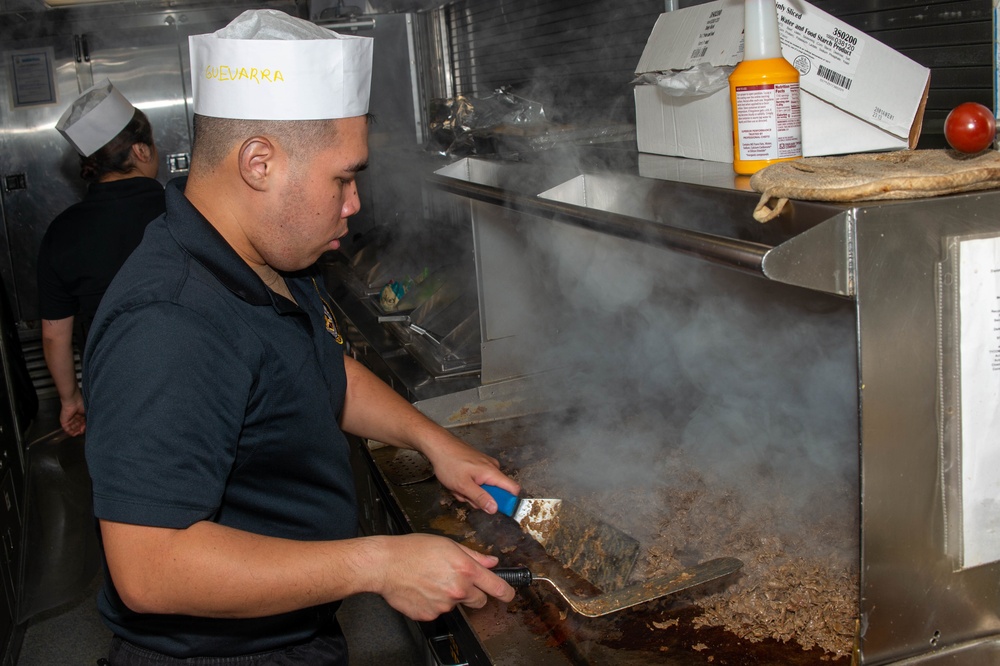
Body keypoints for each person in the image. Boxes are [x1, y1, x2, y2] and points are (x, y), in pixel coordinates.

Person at [82, 9, 520, 664]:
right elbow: (150, 568)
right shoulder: (168, 322)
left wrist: (434, 442)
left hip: (292, 632)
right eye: (343, 177)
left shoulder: (258, 259)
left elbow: (320, 369)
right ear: (259, 163)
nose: (354, 203)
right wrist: (377, 565)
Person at [37, 80, 164, 437]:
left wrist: (70, 397)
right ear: (141, 151)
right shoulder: (185, 210)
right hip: (199, 372)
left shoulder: (61, 233)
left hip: (113, 389)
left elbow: (54, 336)